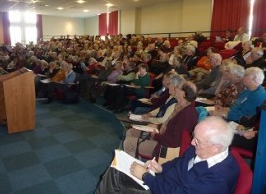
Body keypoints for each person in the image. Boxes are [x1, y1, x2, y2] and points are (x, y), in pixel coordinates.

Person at [95, 116, 239, 194]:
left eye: (198, 141)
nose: (192, 142)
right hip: (163, 183)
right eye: (194, 136)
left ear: (216, 148)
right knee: (115, 172)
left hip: (166, 189)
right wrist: (161, 168)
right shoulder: (202, 150)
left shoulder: (219, 178)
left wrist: (146, 176)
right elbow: (178, 162)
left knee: (118, 183)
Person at [123, 81, 198, 158]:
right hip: (162, 138)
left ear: (184, 94)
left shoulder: (187, 115)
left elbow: (174, 142)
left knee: (128, 143)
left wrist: (155, 136)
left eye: (178, 88)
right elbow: (169, 127)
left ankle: (135, 167)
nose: (175, 89)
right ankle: (137, 163)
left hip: (164, 148)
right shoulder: (179, 107)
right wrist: (157, 127)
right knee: (131, 132)